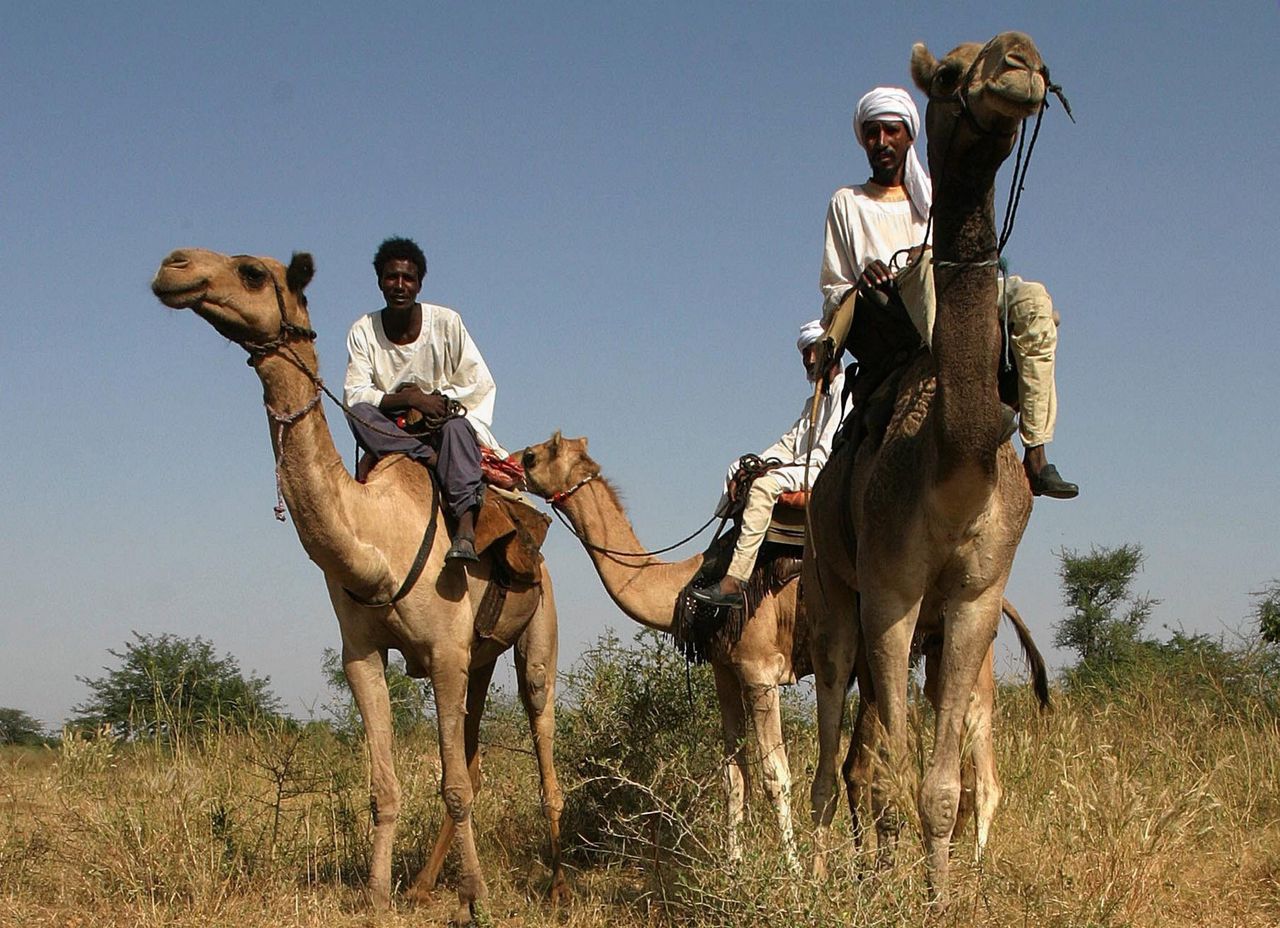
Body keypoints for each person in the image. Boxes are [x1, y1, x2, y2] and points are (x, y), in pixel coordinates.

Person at [820, 86, 1078, 499]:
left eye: (891, 131)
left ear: (909, 137)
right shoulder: (847, 202)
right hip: (893, 301)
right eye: (872, 133)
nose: (882, 142)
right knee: (924, 270)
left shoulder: (934, 199)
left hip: (952, 286)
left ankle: (1036, 449)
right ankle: (960, 391)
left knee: (1032, 300)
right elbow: (834, 286)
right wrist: (862, 280)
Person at [343, 236, 506, 564]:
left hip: (442, 420)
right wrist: (408, 398)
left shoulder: (446, 323)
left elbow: (477, 382)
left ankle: (464, 530)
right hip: (392, 429)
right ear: (380, 282)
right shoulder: (363, 330)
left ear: (419, 284)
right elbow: (355, 392)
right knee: (358, 414)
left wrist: (440, 404)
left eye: (408, 278)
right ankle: (430, 458)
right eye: (392, 277)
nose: (399, 285)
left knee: (458, 430)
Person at [692, 320, 847, 608]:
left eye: (814, 351)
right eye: (805, 353)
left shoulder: (844, 391)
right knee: (738, 468)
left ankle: (734, 581)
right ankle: (726, 547)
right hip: (801, 467)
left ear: (831, 351)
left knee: (764, 486)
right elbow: (787, 444)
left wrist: (773, 472)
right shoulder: (811, 402)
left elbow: (823, 454)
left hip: (823, 473)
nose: (809, 359)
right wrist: (755, 464)